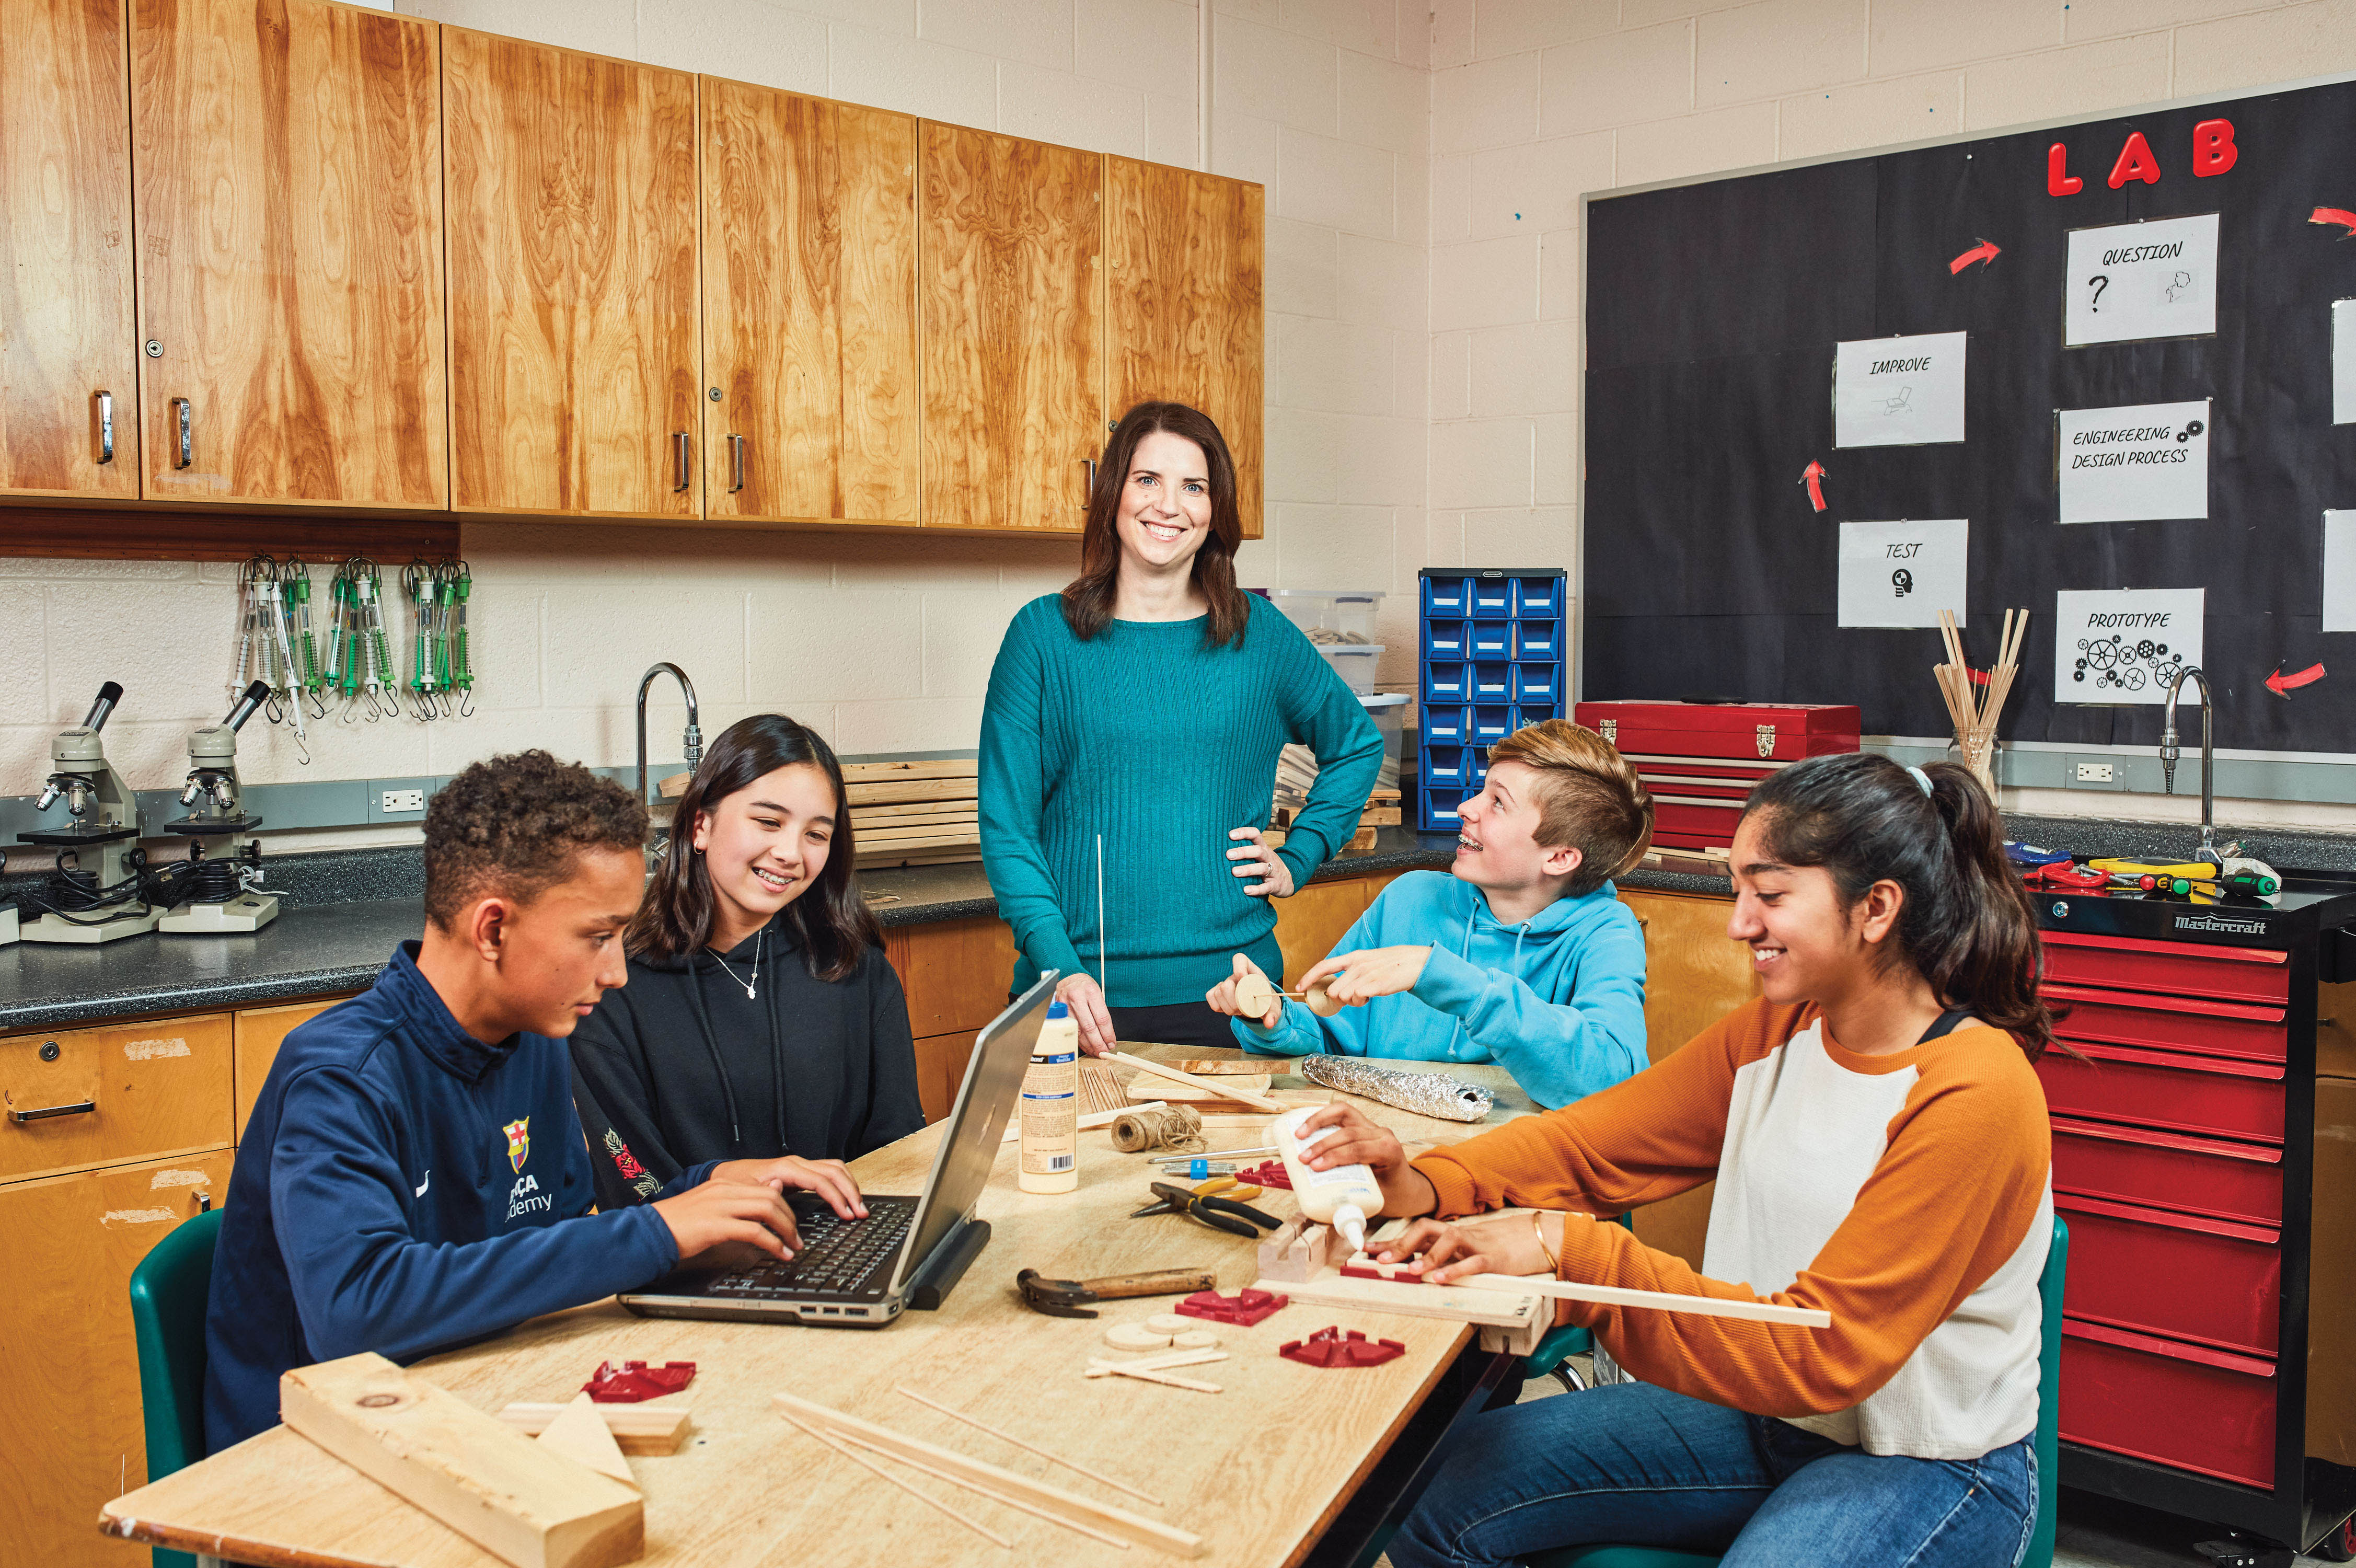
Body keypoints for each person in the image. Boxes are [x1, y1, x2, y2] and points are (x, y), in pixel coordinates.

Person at [1296, 754, 2054, 1568]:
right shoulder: (1780, 1030)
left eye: (1769, 895)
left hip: (1927, 1462)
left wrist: (1574, 1252)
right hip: (1768, 1421)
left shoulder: (1974, 1090)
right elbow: (1593, 1142)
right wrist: (1427, 1183)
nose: (1739, 924)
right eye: (1737, 890)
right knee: (1434, 1492)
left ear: (1875, 908)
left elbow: (1825, 1353)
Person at [203, 751, 864, 1452]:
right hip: (309, 1464)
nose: (616, 973)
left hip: (471, 1406)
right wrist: (658, 1232)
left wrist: (711, 1194)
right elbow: (358, 1311)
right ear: (493, 929)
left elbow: (550, 1239)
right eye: (598, 937)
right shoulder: (341, 1075)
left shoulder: (534, 1038)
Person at [979, 400, 1383, 1055]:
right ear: (1113, 494)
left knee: (1233, 1163)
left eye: (1193, 487)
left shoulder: (1259, 637)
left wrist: (1299, 855)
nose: (1168, 505)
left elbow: (1358, 744)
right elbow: (1007, 827)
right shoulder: (1041, 637)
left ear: (1214, 511)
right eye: (1147, 481)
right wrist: (1060, 967)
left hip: (1232, 996)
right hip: (1076, 998)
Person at [569, 714, 925, 1212]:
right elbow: (636, 1186)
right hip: (689, 1263)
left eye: (816, 835)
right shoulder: (611, 988)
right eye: (769, 822)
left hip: (844, 1253)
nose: (790, 853)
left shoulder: (857, 970)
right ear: (701, 825)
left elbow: (899, 1151)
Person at [1206, 719, 1651, 1109]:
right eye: (1482, 790)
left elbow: (1613, 1081)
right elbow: (1330, 1037)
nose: (1467, 807)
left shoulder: (1606, 933)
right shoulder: (1411, 897)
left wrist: (1448, 979)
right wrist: (1272, 1019)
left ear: (1559, 859)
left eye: (1498, 803)